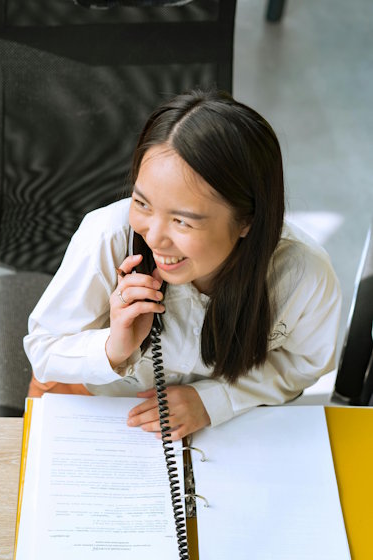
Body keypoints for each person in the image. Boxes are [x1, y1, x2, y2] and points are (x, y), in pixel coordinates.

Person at [23, 89, 341, 441]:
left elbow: (305, 363)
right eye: (142, 203)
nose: (155, 237)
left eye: (183, 222)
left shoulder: (303, 275)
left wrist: (214, 400)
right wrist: (115, 346)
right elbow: (44, 350)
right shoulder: (108, 236)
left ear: (247, 220)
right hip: (100, 406)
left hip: (221, 427)